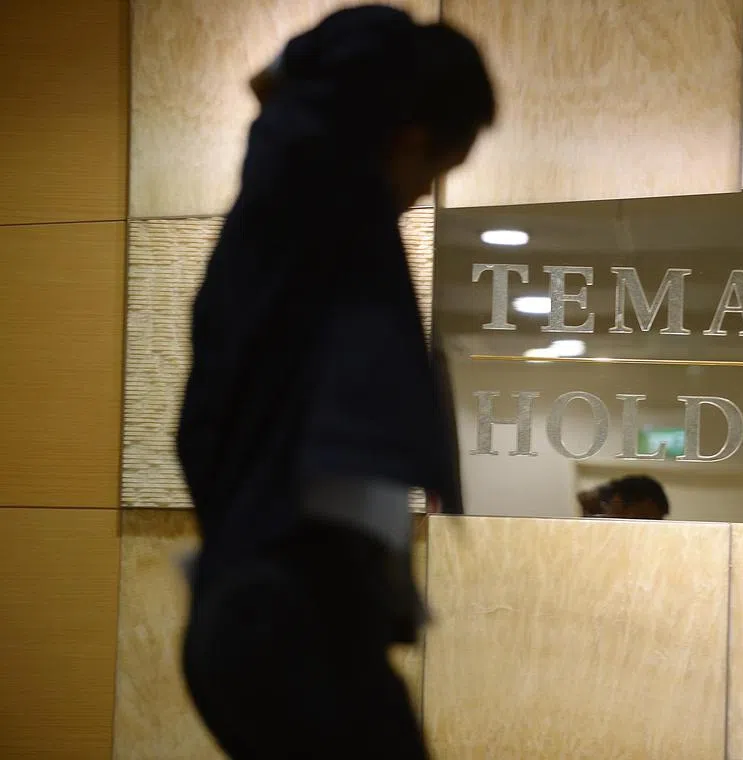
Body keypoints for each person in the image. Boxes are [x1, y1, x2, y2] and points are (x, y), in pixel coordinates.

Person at [176, 6, 495, 758]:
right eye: (434, 173)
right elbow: (312, 73)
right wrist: (398, 43)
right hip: (285, 611)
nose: (421, 195)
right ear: (409, 138)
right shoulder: (316, 200)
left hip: (288, 610)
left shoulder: (294, 223)